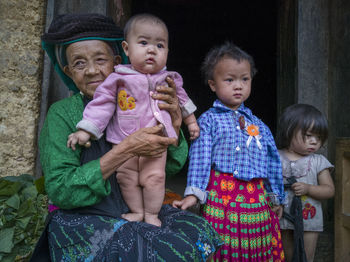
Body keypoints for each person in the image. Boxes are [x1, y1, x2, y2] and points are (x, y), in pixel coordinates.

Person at [31, 13, 222, 261]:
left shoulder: (141, 102)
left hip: (137, 210)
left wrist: (174, 122)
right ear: (68, 71)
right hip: (86, 218)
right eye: (79, 64)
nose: (91, 71)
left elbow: (173, 166)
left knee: (198, 231)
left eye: (101, 59)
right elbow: (60, 190)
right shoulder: (63, 114)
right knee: (151, 250)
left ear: (119, 61)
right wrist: (127, 149)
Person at [67, 13, 199, 227]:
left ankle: (152, 214)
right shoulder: (118, 79)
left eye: (160, 45)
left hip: (156, 140)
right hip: (122, 139)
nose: (151, 50)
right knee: (126, 177)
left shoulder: (170, 79)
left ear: (167, 52)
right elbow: (102, 105)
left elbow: (183, 101)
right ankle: (137, 211)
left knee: (154, 178)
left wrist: (190, 122)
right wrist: (86, 130)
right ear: (127, 49)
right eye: (144, 43)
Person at [173, 42, 286, 261]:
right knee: (222, 248)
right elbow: (200, 159)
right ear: (213, 84)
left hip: (256, 202)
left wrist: (276, 196)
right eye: (229, 80)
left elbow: (272, 161)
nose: (238, 86)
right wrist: (193, 193)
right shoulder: (208, 121)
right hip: (220, 202)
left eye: (245, 79)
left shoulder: (259, 125)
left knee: (257, 248)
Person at [276, 104, 335, 262]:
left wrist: (309, 188)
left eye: (319, 137)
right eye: (309, 135)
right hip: (283, 218)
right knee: (287, 256)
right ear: (289, 131)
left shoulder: (318, 161)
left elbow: (329, 190)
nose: (314, 142)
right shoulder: (275, 157)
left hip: (310, 220)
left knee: (306, 258)